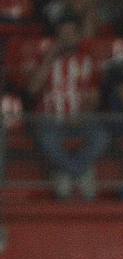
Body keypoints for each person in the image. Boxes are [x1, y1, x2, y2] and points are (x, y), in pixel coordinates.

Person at [27, 13, 107, 198]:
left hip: (80, 117)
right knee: (47, 139)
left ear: (78, 35)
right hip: (50, 118)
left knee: (102, 136)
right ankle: (79, 172)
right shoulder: (44, 59)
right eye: (63, 32)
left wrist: (83, 113)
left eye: (71, 32)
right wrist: (49, 57)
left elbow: (94, 97)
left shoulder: (86, 60)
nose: (67, 36)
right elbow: (32, 89)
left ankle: (64, 172)